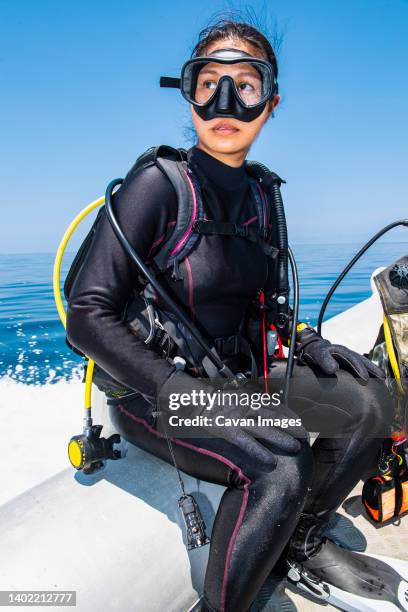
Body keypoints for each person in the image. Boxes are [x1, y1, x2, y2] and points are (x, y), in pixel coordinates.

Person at [66, 18, 394, 612]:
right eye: (207, 81)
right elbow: (87, 314)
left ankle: (298, 542)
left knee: (374, 402)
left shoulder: (264, 196)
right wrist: (175, 388)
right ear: (187, 91)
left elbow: (267, 303)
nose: (224, 102)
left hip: (235, 381)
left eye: (244, 85)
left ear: (270, 102)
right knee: (282, 459)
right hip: (156, 395)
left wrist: (307, 342)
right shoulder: (157, 186)